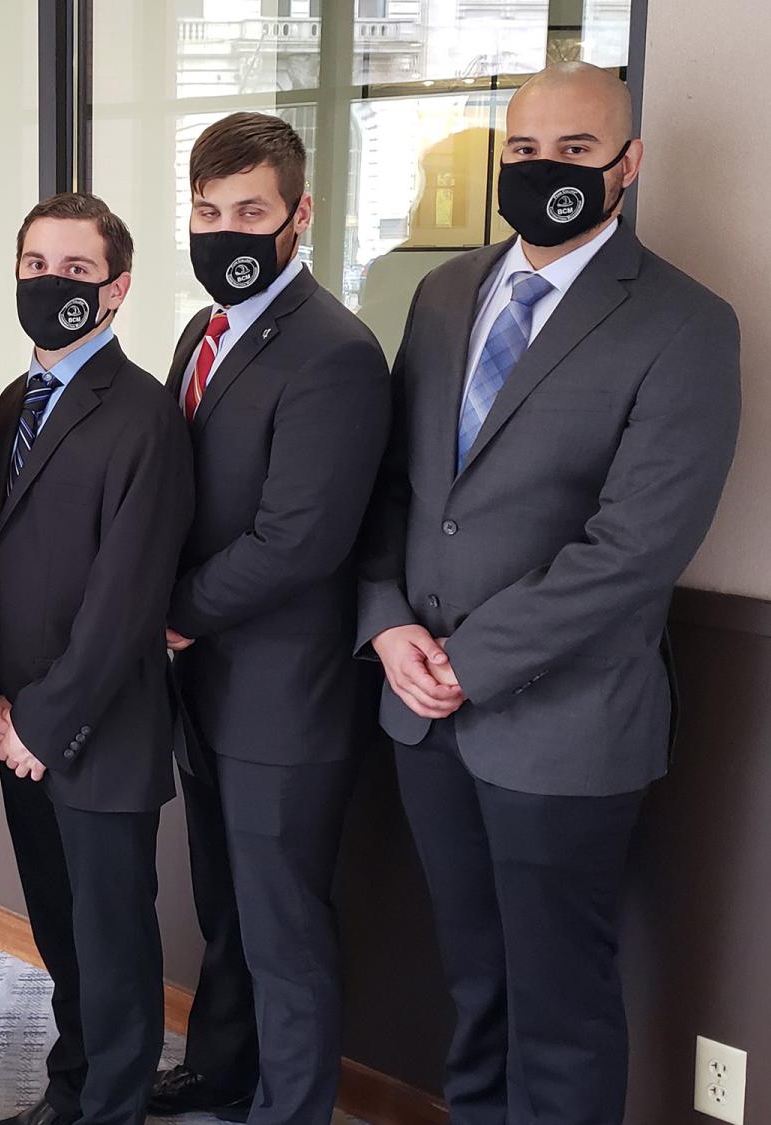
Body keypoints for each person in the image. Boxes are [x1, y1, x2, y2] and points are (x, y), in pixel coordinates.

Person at [358, 62, 740, 1124]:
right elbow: (394, 487)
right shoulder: (441, 297)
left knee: (559, 1004)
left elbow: (634, 548)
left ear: (629, 164)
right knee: (473, 988)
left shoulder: (684, 323)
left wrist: (467, 664)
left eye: (575, 150)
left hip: (565, 728)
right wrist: (387, 625)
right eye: (524, 149)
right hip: (421, 716)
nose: (545, 169)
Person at [156, 112, 391, 1125]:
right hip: (202, 691)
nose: (226, 233)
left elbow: (300, 542)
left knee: (285, 926)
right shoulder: (199, 332)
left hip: (284, 697)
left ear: (301, 214)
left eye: (250, 211)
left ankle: (288, 1110)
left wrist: (169, 616)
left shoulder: (335, 352)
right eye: (208, 213)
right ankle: (220, 1071)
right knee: (226, 911)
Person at [0, 193, 194, 1125]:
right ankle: (68, 1094)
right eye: (37, 265)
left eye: (76, 270)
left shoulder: (143, 413)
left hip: (96, 730)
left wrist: (41, 720)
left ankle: (112, 1107)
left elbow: (127, 601)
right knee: (61, 933)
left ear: (116, 289)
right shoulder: (10, 401)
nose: (52, 284)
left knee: (111, 941)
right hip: (16, 725)